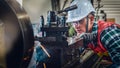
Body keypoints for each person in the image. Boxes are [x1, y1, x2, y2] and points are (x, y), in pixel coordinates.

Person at [66, 0, 120, 68]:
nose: (75, 26)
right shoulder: (85, 36)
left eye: (79, 21)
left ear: (91, 19)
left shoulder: (107, 34)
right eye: (73, 22)